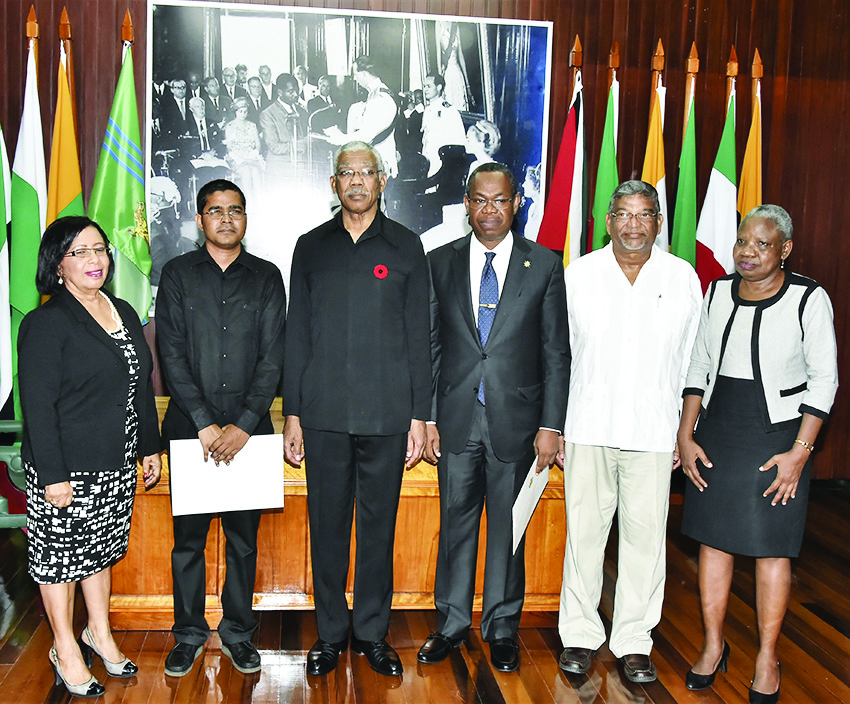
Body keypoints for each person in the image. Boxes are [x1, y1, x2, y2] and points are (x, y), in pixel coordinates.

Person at [677, 205, 838, 703]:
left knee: (773, 546)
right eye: (742, 242)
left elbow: (825, 379)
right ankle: (712, 646)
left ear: (785, 249)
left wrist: (800, 453)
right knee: (713, 541)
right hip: (720, 430)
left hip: (780, 437)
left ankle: (767, 656)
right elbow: (700, 361)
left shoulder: (809, 298)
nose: (747, 252)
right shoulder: (718, 291)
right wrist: (685, 434)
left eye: (761, 244)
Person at [283, 141, 430, 678]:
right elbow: (296, 333)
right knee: (326, 527)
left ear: (383, 180)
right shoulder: (310, 247)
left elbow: (420, 335)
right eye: (347, 173)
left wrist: (420, 416)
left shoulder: (406, 246)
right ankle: (329, 634)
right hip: (321, 415)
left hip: (388, 416)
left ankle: (370, 632)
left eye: (366, 172)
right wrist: (292, 414)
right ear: (334, 184)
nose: (357, 181)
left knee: (378, 528)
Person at [418, 163, 569, 672]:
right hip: (458, 418)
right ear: (465, 203)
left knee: (509, 528)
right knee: (455, 524)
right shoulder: (440, 262)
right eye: (479, 200)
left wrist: (552, 425)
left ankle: (502, 626)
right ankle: (452, 623)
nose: (489, 210)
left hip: (519, 424)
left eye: (499, 200)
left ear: (516, 203)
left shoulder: (545, 265)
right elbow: (432, 346)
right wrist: (430, 416)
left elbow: (555, 352)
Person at [558, 180, 702, 683]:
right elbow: (561, 357)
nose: (633, 225)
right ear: (608, 220)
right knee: (584, 537)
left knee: (645, 542)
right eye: (623, 214)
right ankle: (579, 637)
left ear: (658, 222)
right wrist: (556, 427)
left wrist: (686, 431)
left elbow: (693, 363)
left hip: (654, 433)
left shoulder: (683, 278)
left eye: (644, 215)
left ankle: (634, 641)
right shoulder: (580, 275)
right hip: (587, 426)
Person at [18, 216, 162, 698]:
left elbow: (141, 385)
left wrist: (149, 446)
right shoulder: (45, 322)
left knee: (99, 554)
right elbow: (37, 407)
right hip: (65, 468)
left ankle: (98, 633)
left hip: (117, 461)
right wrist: (53, 477)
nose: (93, 260)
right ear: (57, 264)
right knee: (58, 561)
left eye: (99, 249)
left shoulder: (120, 308)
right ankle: (65, 645)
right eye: (78, 252)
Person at [157, 179, 286, 678]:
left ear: (246, 219)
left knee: (243, 541)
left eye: (235, 210)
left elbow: (274, 359)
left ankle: (237, 631)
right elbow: (170, 354)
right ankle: (188, 633)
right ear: (199, 219)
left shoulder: (267, 276)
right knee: (187, 541)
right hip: (191, 431)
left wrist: (244, 426)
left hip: (250, 435)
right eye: (216, 211)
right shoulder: (176, 275)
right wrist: (207, 425)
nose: (226, 219)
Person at [322, 57, 398, 178]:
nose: (355, 78)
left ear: (363, 74)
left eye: (356, 74)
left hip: (382, 166)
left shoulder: (382, 98)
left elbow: (367, 135)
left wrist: (341, 138)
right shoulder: (374, 95)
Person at [259, 73, 308, 183]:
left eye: (297, 90)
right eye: (290, 91)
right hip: (280, 170)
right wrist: (300, 145)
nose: (295, 94)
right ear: (280, 92)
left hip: (301, 169)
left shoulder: (302, 111)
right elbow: (274, 146)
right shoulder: (268, 114)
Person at [421, 73, 466, 177]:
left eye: (429, 86)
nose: (425, 90)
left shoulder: (449, 111)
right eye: (424, 86)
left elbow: (459, 141)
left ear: (439, 87)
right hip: (428, 159)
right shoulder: (428, 110)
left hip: (441, 162)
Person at [224, 97, 264, 198]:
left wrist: (254, 154)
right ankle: (248, 201)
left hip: (251, 156)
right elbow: (229, 148)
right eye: (240, 111)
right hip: (237, 158)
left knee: (255, 171)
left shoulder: (252, 125)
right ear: (235, 112)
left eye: (245, 112)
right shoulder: (230, 126)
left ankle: (259, 202)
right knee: (246, 171)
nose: (243, 114)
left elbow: (258, 144)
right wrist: (240, 159)